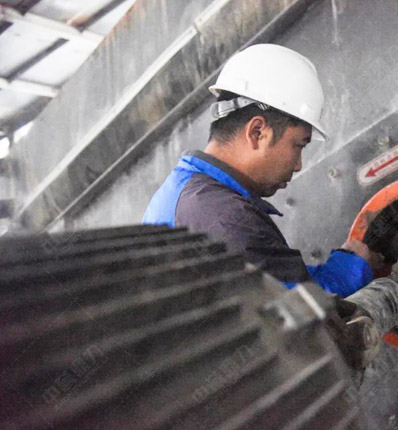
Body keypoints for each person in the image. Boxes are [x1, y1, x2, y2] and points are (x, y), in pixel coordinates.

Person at [142, 44, 383, 297]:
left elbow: (275, 277)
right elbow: (303, 305)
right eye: (298, 145)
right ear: (257, 132)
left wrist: (345, 263)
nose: (298, 165)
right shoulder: (226, 220)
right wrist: (353, 267)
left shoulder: (190, 193)